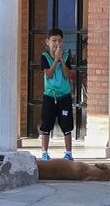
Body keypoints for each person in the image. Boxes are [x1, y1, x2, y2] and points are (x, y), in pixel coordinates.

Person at [39, 27, 76, 161]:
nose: (57, 44)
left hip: (64, 96)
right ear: (48, 42)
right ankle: (44, 153)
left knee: (67, 125)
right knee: (46, 125)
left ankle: (68, 153)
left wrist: (61, 60)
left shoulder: (66, 55)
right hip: (50, 96)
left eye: (60, 41)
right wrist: (55, 60)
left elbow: (69, 75)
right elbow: (48, 74)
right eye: (54, 40)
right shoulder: (44, 56)